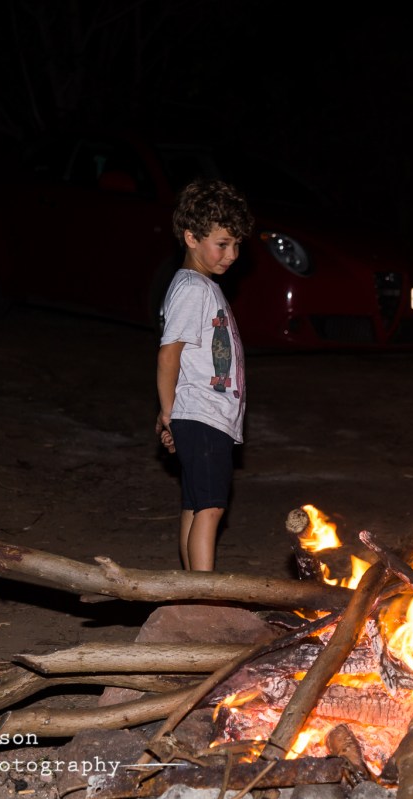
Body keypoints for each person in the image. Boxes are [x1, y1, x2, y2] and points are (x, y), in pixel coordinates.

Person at [155, 178, 254, 571]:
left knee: (196, 504)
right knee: (211, 507)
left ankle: (190, 590)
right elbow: (169, 355)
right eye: (223, 244)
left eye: (237, 245)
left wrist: (172, 412)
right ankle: (204, 593)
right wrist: (169, 413)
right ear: (191, 237)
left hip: (202, 414)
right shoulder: (193, 288)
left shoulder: (200, 286)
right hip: (203, 414)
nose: (232, 255)